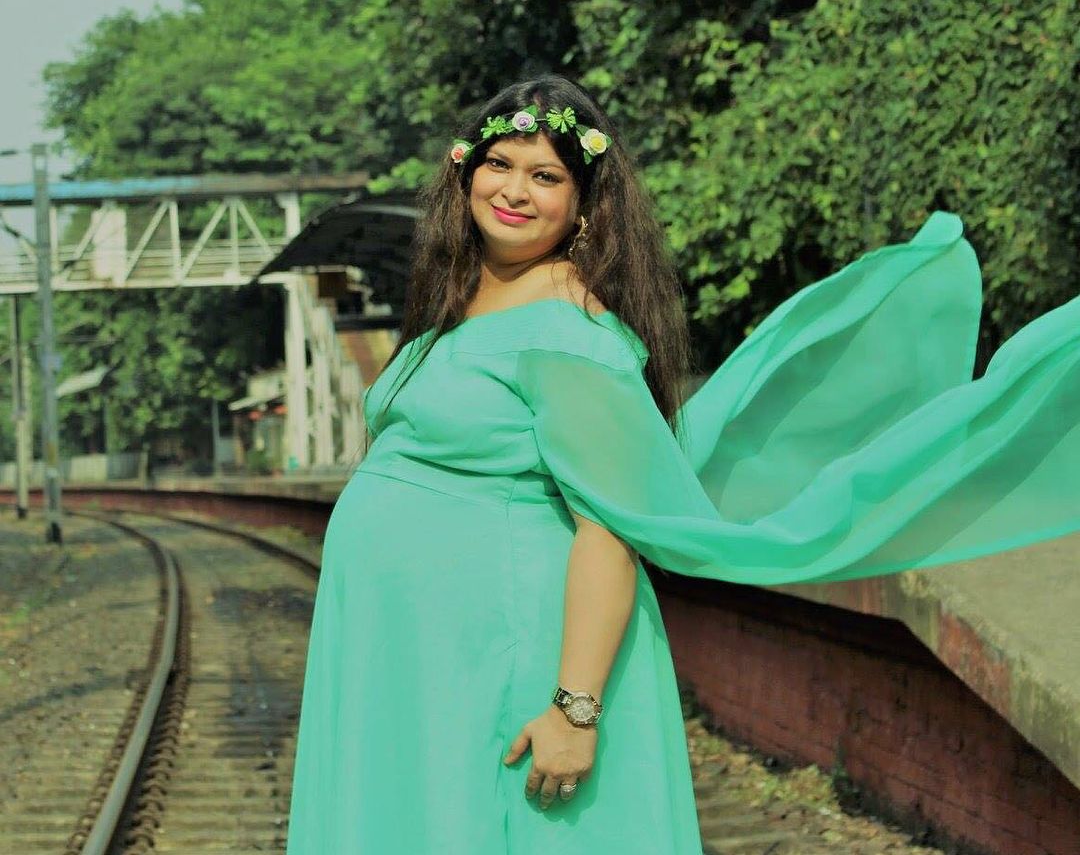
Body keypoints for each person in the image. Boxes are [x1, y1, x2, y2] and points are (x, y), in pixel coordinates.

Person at [285, 74, 1080, 854]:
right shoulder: (461, 308)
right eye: (500, 164)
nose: (515, 191)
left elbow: (607, 531)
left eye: (546, 176)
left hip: (499, 649)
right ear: (465, 172)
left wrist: (574, 710)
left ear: (584, 206)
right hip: (418, 649)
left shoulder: (568, 332)